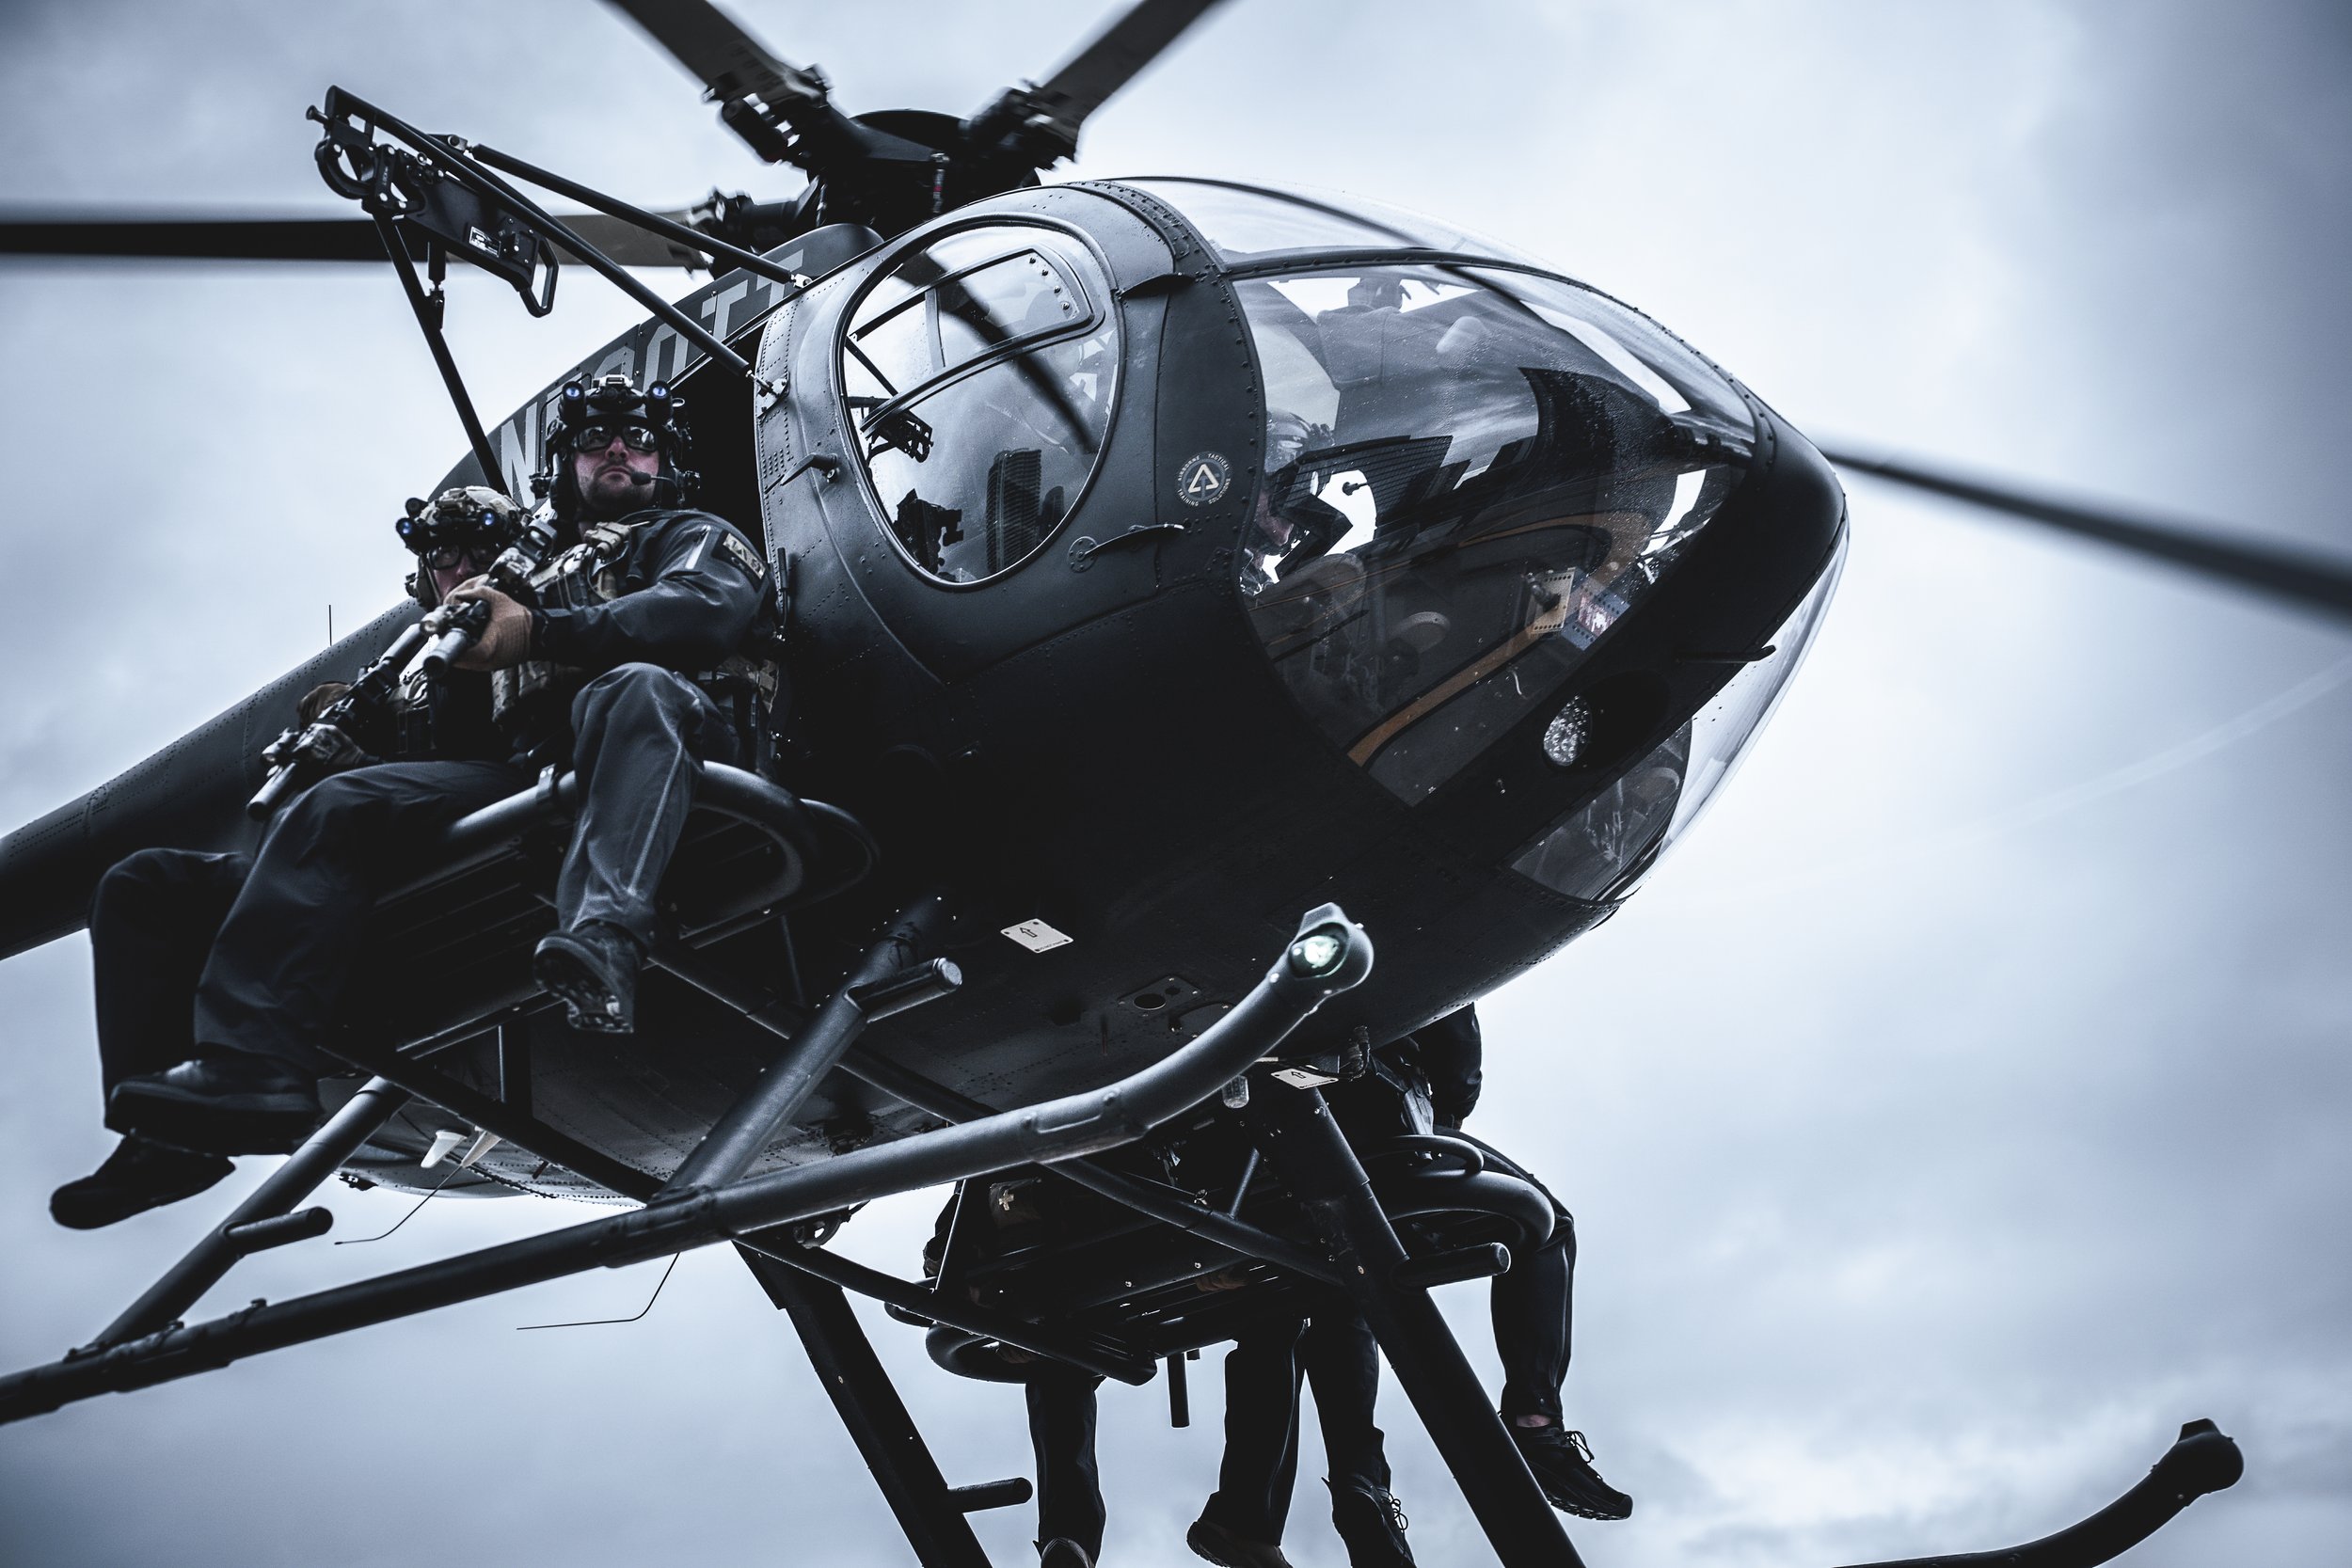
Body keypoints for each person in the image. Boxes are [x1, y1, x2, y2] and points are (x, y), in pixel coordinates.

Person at [106, 374, 778, 1156]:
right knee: (329, 810)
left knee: (631, 689)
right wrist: (377, 738)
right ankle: (235, 1080)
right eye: (596, 441)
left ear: (667, 460)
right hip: (540, 773)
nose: (619, 450)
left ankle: (606, 938)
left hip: (677, 746)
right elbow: (473, 739)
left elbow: (705, 611)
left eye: (638, 437)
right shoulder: (524, 575)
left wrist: (540, 633)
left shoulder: (687, 533)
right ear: (566, 465)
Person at [50, 499, 507, 1227]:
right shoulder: (410, 658)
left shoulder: (533, 615)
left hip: (501, 817)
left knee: (338, 805)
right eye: (441, 554)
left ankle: (254, 1061)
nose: (457, 568)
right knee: (143, 884)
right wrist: (344, 743)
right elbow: (392, 776)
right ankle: (166, 1139)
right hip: (386, 837)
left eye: (473, 549)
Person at [1397, 1006, 1631, 1522]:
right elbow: (1449, 1017)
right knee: (1547, 1226)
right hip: (1374, 1116)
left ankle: (1354, 1493)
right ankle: (1535, 1421)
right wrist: (1447, 1115)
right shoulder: (1400, 925)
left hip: (1243, 1142)